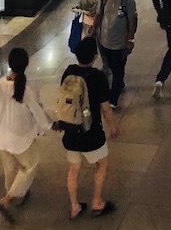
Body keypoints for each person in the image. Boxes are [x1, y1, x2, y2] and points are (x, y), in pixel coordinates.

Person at [0, 47, 50, 217]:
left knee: (10, 168)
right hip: (20, 137)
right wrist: (46, 126)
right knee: (30, 165)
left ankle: (17, 195)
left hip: (2, 135)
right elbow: (37, 111)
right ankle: (9, 197)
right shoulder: (28, 88)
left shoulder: (1, 83)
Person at [60, 38, 119, 218]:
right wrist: (113, 127)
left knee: (74, 168)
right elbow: (106, 109)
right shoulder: (97, 77)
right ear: (94, 57)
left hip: (70, 131)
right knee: (101, 164)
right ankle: (97, 202)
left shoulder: (68, 72)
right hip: (91, 132)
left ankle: (74, 205)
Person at [94, 0, 138, 107]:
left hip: (120, 43)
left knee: (118, 69)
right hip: (105, 41)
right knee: (111, 67)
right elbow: (98, 14)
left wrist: (130, 40)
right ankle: (119, 84)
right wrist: (93, 30)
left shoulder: (127, 0)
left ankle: (113, 99)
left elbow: (132, 21)